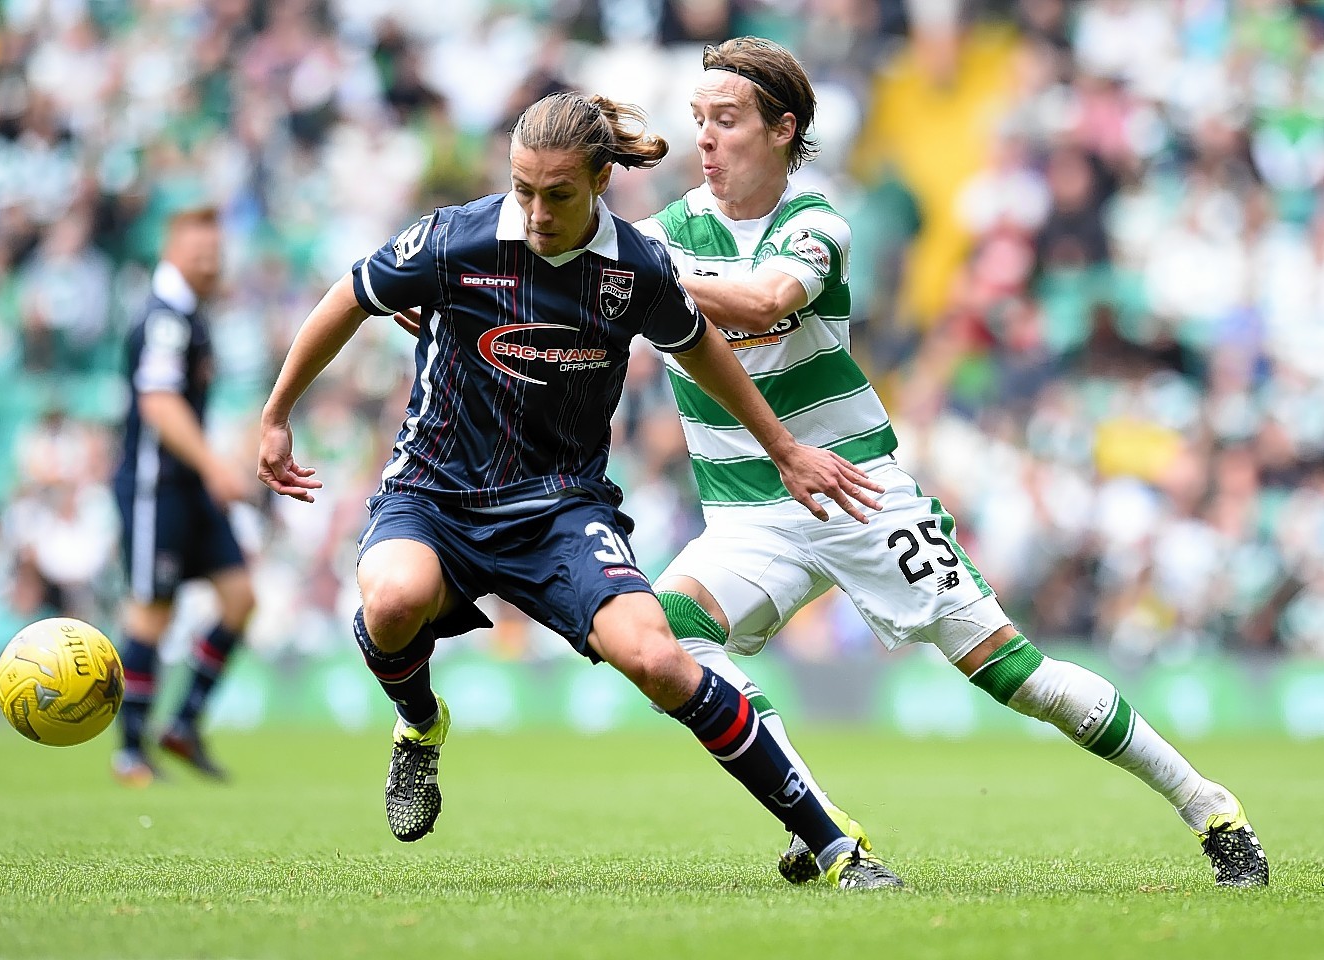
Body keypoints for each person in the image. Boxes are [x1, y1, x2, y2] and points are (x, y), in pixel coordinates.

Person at [634, 36, 1269, 889]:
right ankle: (812, 815)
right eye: (698, 121)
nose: (704, 140)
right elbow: (550, 262)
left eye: (727, 120)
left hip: (859, 494)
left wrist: (634, 269)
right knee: (663, 638)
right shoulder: (666, 231)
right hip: (749, 510)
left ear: (783, 130)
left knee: (1017, 674)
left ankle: (1209, 806)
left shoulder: (814, 224)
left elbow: (764, 299)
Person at [257, 91, 901, 890]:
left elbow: (702, 349)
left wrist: (784, 448)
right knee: (391, 603)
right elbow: (349, 298)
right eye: (522, 187)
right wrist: (278, 414)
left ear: (599, 181)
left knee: (657, 659)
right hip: (435, 492)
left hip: (561, 506)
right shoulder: (454, 238)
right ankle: (420, 729)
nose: (534, 210)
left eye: (557, 193)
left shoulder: (635, 267)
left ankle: (836, 846)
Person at [110, 206, 256, 786]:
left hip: (189, 486)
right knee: (152, 611)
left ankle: (184, 723)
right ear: (171, 249)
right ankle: (129, 750)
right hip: (157, 486)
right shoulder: (165, 319)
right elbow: (159, 403)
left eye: (216, 251)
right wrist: (214, 465)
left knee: (240, 598)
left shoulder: (191, 316)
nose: (211, 260)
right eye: (199, 251)